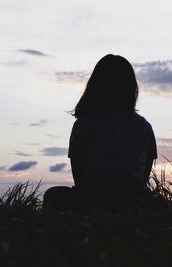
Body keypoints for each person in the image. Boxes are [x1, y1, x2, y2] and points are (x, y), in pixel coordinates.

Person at [43, 54, 157, 209]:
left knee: (53, 195)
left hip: (91, 196)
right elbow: (143, 177)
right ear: (131, 87)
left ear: (95, 86)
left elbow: (78, 175)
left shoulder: (83, 124)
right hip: (132, 199)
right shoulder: (144, 126)